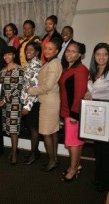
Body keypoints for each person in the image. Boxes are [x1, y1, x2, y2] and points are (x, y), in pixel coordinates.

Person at [84, 43, 109, 191]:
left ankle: (108, 183)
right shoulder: (92, 72)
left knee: (107, 151)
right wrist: (88, 95)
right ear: (94, 56)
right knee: (98, 150)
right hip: (97, 116)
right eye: (98, 54)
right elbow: (94, 92)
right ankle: (99, 177)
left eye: (105, 54)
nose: (101, 57)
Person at [27, 37, 62, 172]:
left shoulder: (54, 64)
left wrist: (30, 90)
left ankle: (52, 161)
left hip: (49, 102)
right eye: (46, 48)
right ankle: (54, 159)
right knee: (53, 132)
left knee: (46, 133)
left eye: (50, 49)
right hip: (49, 100)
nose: (47, 51)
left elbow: (47, 86)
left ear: (57, 51)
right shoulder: (50, 62)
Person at [59, 41, 88, 182]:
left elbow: (80, 93)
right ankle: (77, 165)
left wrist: (75, 115)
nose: (69, 53)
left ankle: (73, 169)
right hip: (66, 111)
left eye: (73, 51)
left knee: (73, 143)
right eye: (67, 51)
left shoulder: (81, 69)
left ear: (80, 55)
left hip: (73, 113)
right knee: (73, 141)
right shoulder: (67, 68)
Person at [0, 46, 24, 165]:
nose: (7, 57)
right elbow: (1, 88)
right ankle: (14, 150)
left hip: (14, 103)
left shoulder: (19, 69)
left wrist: (5, 99)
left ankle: (14, 153)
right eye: (5, 55)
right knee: (8, 128)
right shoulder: (2, 71)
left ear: (14, 55)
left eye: (9, 54)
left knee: (14, 129)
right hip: (4, 103)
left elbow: (19, 88)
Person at [20, 41, 42, 165]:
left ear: (37, 52)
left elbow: (35, 88)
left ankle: (33, 154)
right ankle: (35, 151)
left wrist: (27, 107)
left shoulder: (36, 66)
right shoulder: (30, 64)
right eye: (27, 50)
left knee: (34, 129)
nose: (28, 52)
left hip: (32, 104)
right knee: (31, 128)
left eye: (31, 50)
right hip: (28, 102)